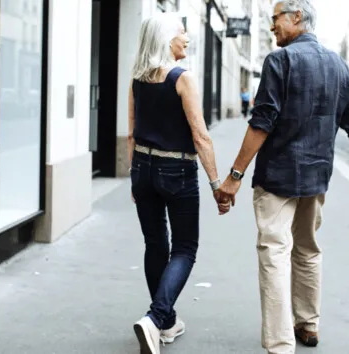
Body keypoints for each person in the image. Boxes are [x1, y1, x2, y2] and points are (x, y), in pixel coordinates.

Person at [216, 1, 349, 353]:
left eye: (275, 19)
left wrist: (234, 175)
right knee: (308, 250)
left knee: (274, 253)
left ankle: (280, 343)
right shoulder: (339, 66)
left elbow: (261, 122)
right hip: (315, 177)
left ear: (298, 17)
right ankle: (308, 325)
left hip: (277, 176)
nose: (271, 27)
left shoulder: (280, 61)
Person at [127, 13, 230, 354]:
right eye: (181, 33)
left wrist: (134, 176)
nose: (186, 39)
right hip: (177, 171)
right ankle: (156, 319)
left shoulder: (137, 79)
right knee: (184, 248)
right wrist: (217, 184)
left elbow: (131, 131)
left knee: (155, 244)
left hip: (143, 166)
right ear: (165, 39)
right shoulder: (181, 78)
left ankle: (166, 322)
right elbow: (200, 135)